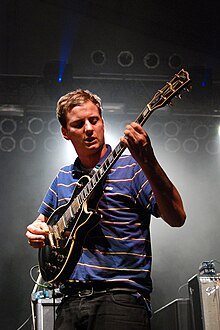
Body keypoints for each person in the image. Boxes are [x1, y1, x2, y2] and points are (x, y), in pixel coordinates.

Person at [26, 89, 186, 330]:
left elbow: (177, 217)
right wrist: (37, 231)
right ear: (65, 133)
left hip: (121, 298)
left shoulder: (133, 167)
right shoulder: (62, 177)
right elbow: (41, 222)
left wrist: (149, 160)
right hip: (69, 301)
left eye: (94, 120)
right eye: (78, 124)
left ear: (102, 121)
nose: (89, 129)